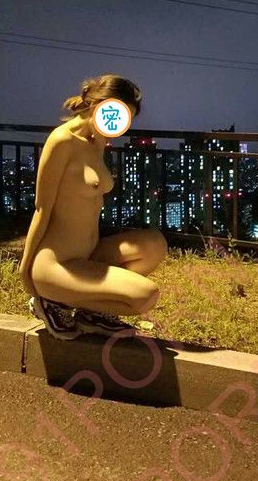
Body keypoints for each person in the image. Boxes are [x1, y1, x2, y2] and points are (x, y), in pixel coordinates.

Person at [19, 73, 168, 339]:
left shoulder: (97, 141)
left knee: (154, 244)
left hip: (89, 253)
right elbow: (41, 210)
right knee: (145, 295)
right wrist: (26, 269)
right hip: (56, 264)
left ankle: (90, 313)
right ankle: (50, 302)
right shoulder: (62, 140)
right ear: (99, 104)